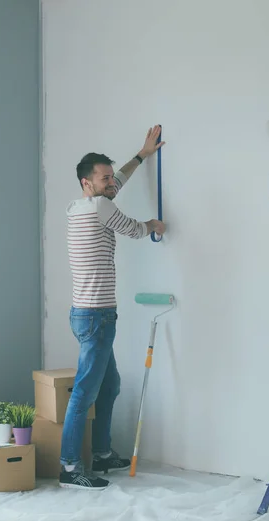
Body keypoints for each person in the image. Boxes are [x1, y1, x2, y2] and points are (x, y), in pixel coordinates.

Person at [60, 125, 166, 490]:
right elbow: (135, 229)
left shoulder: (80, 206)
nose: (111, 182)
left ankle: (102, 454)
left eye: (110, 177)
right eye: (104, 178)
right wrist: (154, 225)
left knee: (109, 385)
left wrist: (142, 154)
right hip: (97, 316)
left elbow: (118, 180)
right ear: (88, 183)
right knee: (87, 392)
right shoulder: (102, 206)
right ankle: (71, 466)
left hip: (87, 314)